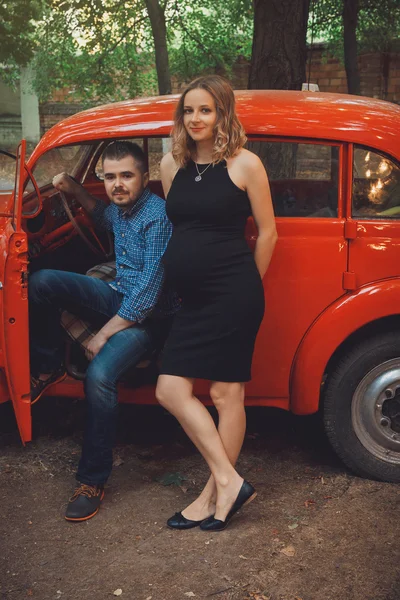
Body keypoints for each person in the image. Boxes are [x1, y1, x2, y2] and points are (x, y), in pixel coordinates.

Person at [29, 141, 179, 522]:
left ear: (146, 177)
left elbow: (146, 297)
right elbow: (102, 217)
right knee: (43, 281)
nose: (117, 184)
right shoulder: (123, 210)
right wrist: (74, 189)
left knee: (99, 375)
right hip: (118, 294)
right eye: (110, 177)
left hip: (149, 319)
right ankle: (46, 368)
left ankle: (91, 481)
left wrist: (101, 336)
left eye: (126, 175)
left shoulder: (157, 216)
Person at [156, 75, 278, 532]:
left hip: (234, 293)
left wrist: (250, 283)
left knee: (226, 394)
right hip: (194, 298)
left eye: (205, 110)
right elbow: (183, 228)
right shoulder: (172, 165)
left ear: (223, 113)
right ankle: (228, 481)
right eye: (189, 110)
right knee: (169, 388)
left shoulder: (246, 164)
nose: (195, 119)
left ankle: (212, 494)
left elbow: (268, 232)